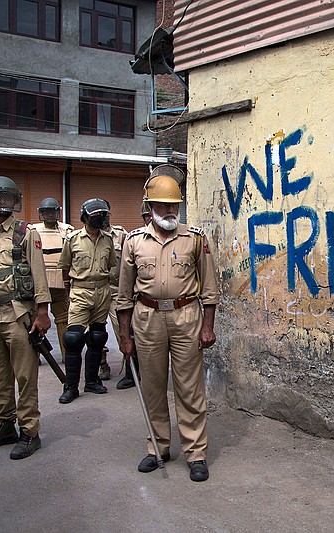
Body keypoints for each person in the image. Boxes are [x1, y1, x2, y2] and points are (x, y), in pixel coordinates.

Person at [117, 164, 220, 482]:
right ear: (149, 208)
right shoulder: (134, 242)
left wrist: (208, 326)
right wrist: (124, 335)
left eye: (174, 205)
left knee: (189, 388)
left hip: (186, 315)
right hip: (147, 318)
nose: (169, 210)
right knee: (152, 386)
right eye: (162, 205)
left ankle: (196, 453)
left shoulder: (194, 239)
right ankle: (158, 447)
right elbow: (123, 296)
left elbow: (211, 289)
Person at [0, 176, 51, 460]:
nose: (1, 204)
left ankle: (29, 432)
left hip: (18, 316)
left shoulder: (26, 233)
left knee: (26, 376)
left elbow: (39, 276)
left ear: (15, 202)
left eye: (6, 198)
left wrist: (43, 313)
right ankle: (4, 425)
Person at [56, 198, 116, 404]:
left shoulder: (108, 240)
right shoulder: (72, 239)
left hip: (102, 291)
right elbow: (65, 267)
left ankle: (92, 381)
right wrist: (68, 291)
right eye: (96, 215)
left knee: (98, 337)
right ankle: (71, 387)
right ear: (85, 217)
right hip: (80, 291)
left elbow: (110, 265)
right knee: (73, 339)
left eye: (103, 214)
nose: (101, 218)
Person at [31, 198, 74, 360]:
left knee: (63, 320)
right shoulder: (33, 230)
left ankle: (66, 355)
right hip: (38, 282)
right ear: (41, 213)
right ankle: (35, 355)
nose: (49, 215)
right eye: (46, 212)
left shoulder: (67, 231)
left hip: (60, 282)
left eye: (52, 212)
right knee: (36, 320)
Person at [116, 203, 151, 390]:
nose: (152, 218)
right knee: (129, 337)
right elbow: (126, 283)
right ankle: (131, 374)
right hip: (139, 303)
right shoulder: (135, 241)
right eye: (148, 215)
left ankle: (135, 373)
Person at [101, 212, 126, 381]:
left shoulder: (121, 235)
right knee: (96, 333)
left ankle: (130, 370)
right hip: (96, 291)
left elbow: (129, 262)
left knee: (122, 330)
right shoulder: (81, 237)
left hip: (117, 290)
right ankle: (102, 365)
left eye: (104, 214)